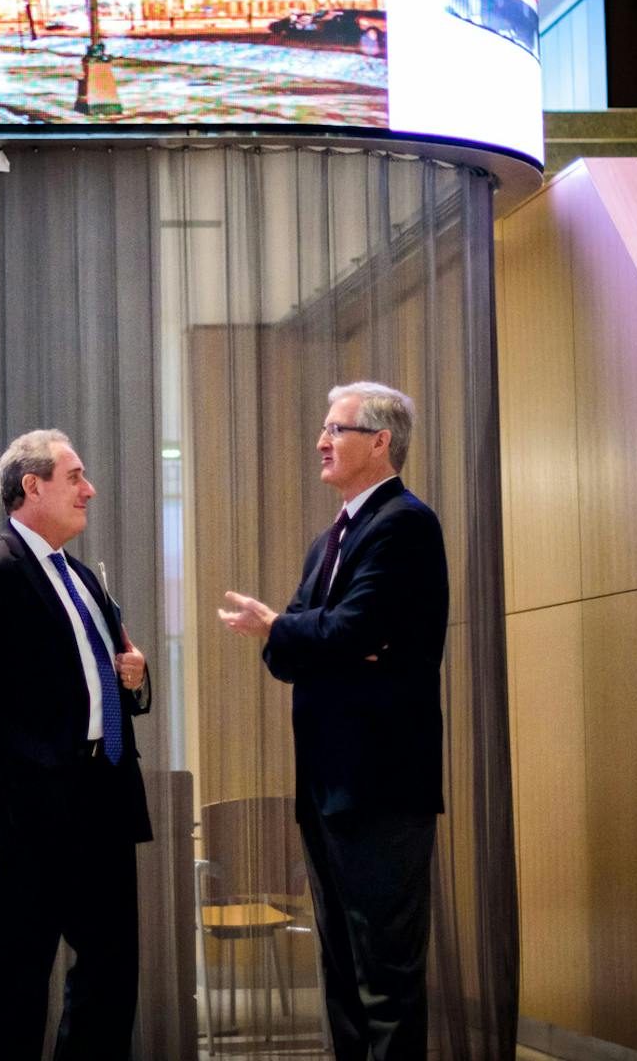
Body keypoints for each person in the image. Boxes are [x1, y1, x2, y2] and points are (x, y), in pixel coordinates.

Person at [217, 383, 448, 1061]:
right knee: (342, 975)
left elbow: (354, 628)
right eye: (323, 428)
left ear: (380, 442)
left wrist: (299, 632)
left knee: (387, 979)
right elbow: (290, 655)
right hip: (325, 790)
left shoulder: (405, 523)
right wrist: (308, 638)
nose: (320, 441)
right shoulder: (328, 543)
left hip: (382, 788)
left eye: (335, 429)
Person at [0, 428, 152, 1060]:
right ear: (33, 485)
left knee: (112, 969)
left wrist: (132, 678)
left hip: (104, 795)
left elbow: (106, 678)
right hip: (28, 808)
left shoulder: (83, 577)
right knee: (15, 977)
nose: (91, 490)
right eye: (76, 477)